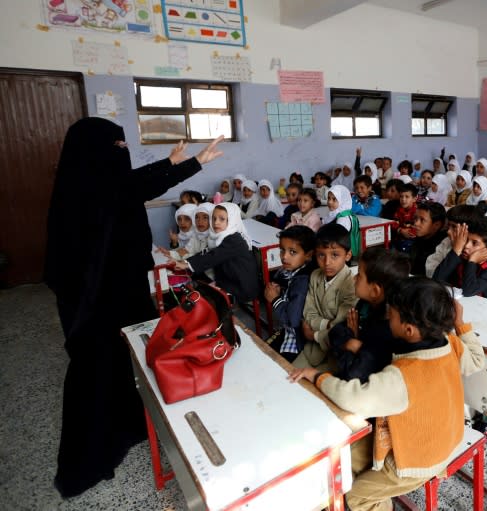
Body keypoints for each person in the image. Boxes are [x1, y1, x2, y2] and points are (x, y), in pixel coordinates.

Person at [44, 117, 224, 498]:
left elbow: (130, 186)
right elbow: (129, 188)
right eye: (117, 148)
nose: (122, 154)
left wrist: (177, 165)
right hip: (95, 303)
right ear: (94, 152)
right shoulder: (86, 192)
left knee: (127, 361)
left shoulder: (92, 183)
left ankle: (131, 422)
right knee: (96, 372)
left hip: (116, 292)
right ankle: (92, 454)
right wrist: (188, 165)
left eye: (125, 147)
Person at [288, 278, 487, 511]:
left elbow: (353, 398)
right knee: (345, 459)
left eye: (391, 315)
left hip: (417, 460)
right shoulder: (451, 344)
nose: (387, 318)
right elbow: (476, 360)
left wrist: (316, 376)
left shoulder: (403, 375)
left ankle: (380, 503)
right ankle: (376, 494)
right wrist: (460, 324)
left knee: (351, 498)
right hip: (434, 436)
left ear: (409, 329)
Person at [328, 247, 410, 383]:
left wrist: (358, 346)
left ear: (375, 291)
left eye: (359, 275)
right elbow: (336, 332)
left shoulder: (389, 329)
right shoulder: (365, 304)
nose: (354, 277)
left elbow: (353, 375)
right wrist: (352, 341)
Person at [295, 223, 358, 371]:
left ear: (348, 255)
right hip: (312, 350)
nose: (327, 262)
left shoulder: (351, 285)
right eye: (321, 255)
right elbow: (308, 312)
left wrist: (314, 334)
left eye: (335, 255)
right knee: (288, 378)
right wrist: (327, 324)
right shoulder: (315, 276)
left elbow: (340, 327)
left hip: (335, 355)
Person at [176, 202, 261, 304]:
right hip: (229, 279)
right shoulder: (219, 237)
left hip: (241, 286)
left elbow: (213, 256)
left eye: (222, 219)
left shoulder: (234, 239)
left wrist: (187, 265)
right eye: (214, 218)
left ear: (232, 220)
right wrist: (186, 262)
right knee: (198, 289)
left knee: (202, 298)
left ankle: (221, 317)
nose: (216, 223)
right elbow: (206, 252)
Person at [265, 226, 317, 363]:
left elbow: (292, 320)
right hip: (286, 330)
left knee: (268, 362)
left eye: (292, 252)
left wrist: (274, 299)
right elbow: (280, 276)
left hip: (296, 340)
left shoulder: (302, 281)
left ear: (309, 255)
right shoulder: (293, 268)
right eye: (282, 250)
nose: (284, 257)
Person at [433, 217, 487, 298]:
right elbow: (436, 280)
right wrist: (456, 250)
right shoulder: (460, 258)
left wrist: (472, 262)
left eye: (474, 243)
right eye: (466, 240)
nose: (466, 246)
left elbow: (468, 291)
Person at [410, 202, 448, 276]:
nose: (416, 223)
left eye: (422, 220)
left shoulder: (441, 246)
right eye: (415, 218)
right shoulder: (421, 237)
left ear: (436, 225)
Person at [325, 184, 361, 257]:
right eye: (329, 198)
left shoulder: (342, 219)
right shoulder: (345, 213)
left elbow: (339, 240)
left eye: (334, 199)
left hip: (342, 255)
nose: (330, 202)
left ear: (343, 200)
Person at [393, 183, 419, 252]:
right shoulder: (399, 210)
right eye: (401, 196)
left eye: (407, 197)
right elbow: (394, 223)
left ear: (414, 198)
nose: (403, 200)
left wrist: (408, 232)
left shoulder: (418, 211)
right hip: (399, 237)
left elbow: (417, 229)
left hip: (413, 240)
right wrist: (400, 230)